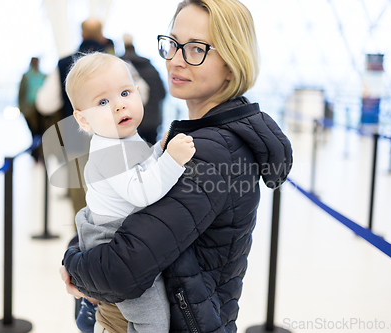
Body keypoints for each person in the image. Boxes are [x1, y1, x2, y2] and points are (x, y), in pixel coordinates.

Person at [61, 0, 293, 332]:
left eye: (196, 48)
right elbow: (132, 221)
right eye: (172, 44)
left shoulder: (214, 152)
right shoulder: (197, 136)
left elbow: (123, 270)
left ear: (232, 62)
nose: (175, 60)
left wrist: (73, 264)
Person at [66, 52, 196, 333]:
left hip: (122, 236)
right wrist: (172, 160)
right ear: (84, 119)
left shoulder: (124, 137)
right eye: (102, 102)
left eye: (125, 92)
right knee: (153, 320)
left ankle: (94, 305)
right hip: (111, 243)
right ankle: (98, 309)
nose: (118, 105)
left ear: (139, 93)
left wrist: (159, 151)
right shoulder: (108, 150)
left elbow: (141, 167)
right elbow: (141, 191)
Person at [36, 18, 114, 214]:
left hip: (75, 136)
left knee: (80, 198)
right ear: (102, 34)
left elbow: (45, 103)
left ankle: (83, 240)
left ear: (81, 34)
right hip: (112, 138)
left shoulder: (64, 63)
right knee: (112, 194)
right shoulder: (117, 63)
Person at [121, 34, 166, 145]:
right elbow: (163, 93)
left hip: (131, 121)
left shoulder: (121, 68)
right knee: (153, 151)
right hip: (153, 120)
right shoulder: (151, 67)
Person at [18, 57, 46, 160]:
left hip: (41, 109)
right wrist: (22, 108)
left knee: (40, 132)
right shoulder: (26, 76)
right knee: (34, 132)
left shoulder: (43, 76)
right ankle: (35, 153)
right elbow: (21, 93)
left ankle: (39, 152)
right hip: (30, 109)